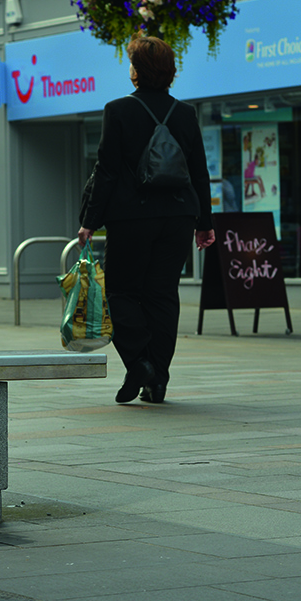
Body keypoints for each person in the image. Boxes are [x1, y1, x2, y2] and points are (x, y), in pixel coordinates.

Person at [78, 36, 215, 405]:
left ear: (136, 71)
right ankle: (158, 381)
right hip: (178, 216)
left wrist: (90, 221)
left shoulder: (118, 110)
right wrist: (204, 222)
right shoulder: (185, 114)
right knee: (162, 296)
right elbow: (199, 172)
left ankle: (139, 361)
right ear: (170, 72)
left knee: (120, 292)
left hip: (132, 216)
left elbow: (106, 172)